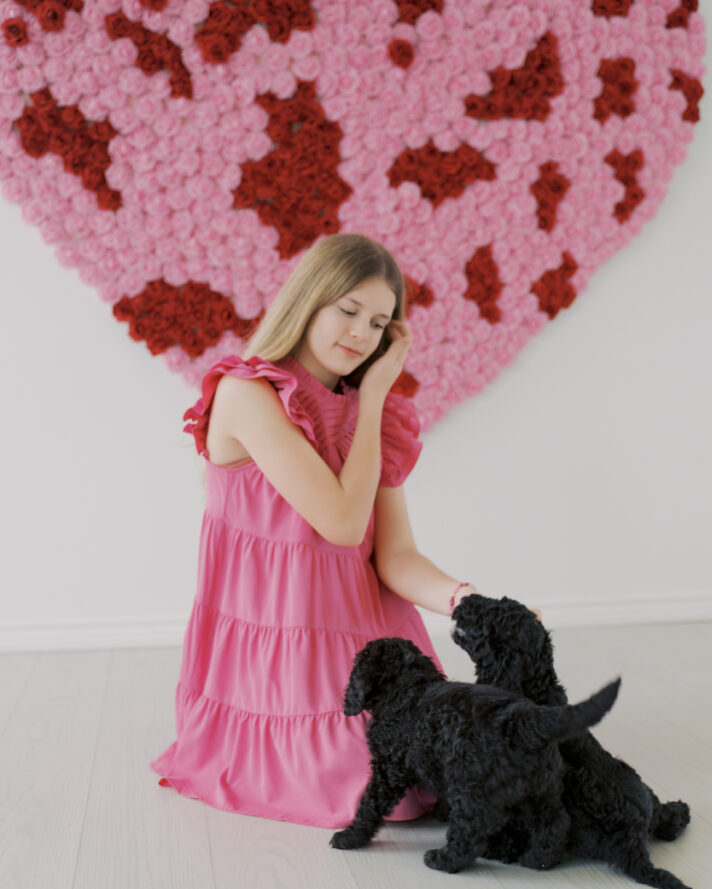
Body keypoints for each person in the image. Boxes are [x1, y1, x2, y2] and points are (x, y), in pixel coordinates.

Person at [150, 232, 483, 829]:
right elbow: (341, 522)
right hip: (282, 657)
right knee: (379, 792)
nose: (361, 334)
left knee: (470, 777)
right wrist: (376, 393)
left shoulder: (368, 413)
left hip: (372, 644)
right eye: (348, 310)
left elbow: (394, 556)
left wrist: (473, 603)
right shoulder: (248, 393)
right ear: (308, 301)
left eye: (379, 323)